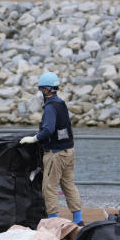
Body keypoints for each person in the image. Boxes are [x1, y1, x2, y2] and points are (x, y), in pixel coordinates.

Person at [20, 72, 83, 225]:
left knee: (49, 187)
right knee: (69, 185)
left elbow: (48, 129)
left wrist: (34, 138)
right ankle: (78, 220)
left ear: (48, 89)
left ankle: (52, 223)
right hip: (69, 151)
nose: (41, 92)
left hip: (55, 154)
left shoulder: (49, 107)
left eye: (42, 89)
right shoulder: (61, 103)